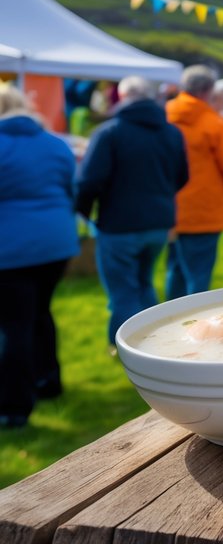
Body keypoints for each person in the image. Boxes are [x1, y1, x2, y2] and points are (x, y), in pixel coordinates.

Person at [76, 76, 189, 349]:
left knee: (124, 291)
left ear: (123, 97)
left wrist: (83, 211)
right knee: (143, 283)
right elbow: (182, 176)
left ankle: (131, 349)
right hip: (158, 222)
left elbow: (88, 181)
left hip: (119, 224)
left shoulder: (110, 132)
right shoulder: (171, 132)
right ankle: (155, 343)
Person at [0, 84, 79, 427]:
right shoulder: (55, 144)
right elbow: (69, 188)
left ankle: (13, 407)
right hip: (55, 244)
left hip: (12, 248)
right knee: (38, 312)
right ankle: (49, 381)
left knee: (14, 324)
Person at [164, 66, 223, 299]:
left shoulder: (164, 117)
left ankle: (165, 320)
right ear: (208, 91)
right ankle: (190, 325)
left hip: (167, 207)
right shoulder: (216, 125)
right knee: (198, 277)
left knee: (175, 269)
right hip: (203, 211)